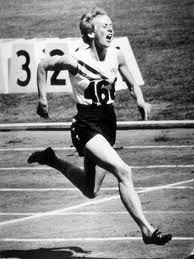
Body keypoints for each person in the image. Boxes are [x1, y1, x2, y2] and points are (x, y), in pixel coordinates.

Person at [28, 7, 172, 245]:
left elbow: (132, 81)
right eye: (104, 25)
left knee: (90, 190)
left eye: (111, 24)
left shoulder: (117, 55)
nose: (110, 28)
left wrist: (140, 100)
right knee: (124, 171)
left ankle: (52, 159)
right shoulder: (76, 60)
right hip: (85, 125)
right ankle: (147, 230)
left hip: (107, 125)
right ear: (91, 33)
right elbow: (43, 65)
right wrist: (42, 99)